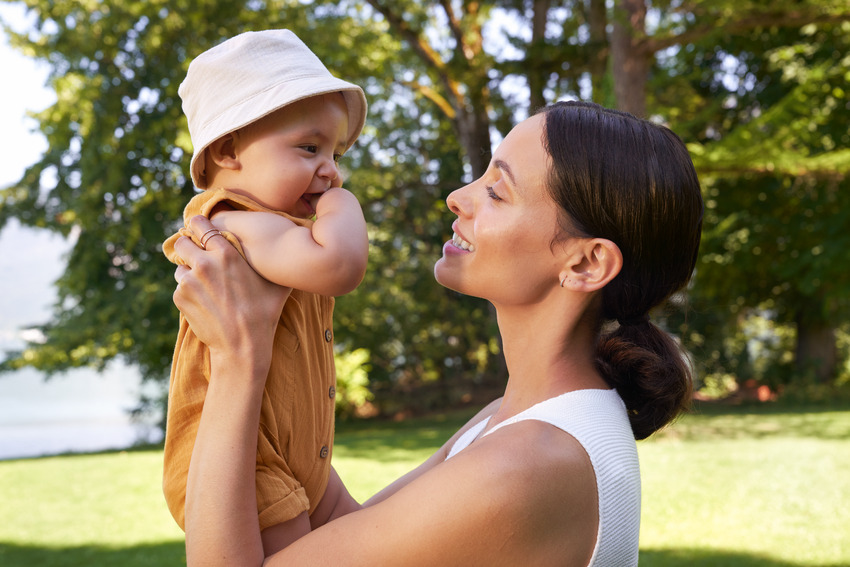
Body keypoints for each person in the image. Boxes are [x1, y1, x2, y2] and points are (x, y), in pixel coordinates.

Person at [171, 100, 704, 566]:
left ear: (586, 264)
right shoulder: (512, 420)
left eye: (497, 192)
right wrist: (281, 393)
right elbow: (343, 532)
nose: (458, 197)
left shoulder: (525, 466)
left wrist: (238, 358)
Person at [160, 29, 369, 555]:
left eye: (336, 151)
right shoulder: (237, 222)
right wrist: (344, 206)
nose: (332, 170)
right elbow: (341, 266)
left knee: (374, 535)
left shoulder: (276, 226)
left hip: (295, 451)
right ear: (229, 150)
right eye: (309, 147)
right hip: (247, 462)